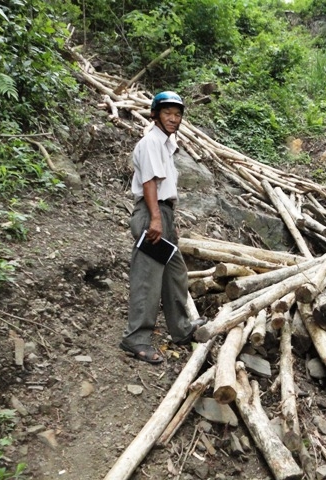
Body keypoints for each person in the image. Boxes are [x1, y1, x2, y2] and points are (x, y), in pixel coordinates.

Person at [119, 90, 204, 364]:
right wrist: (156, 218)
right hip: (151, 213)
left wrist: (165, 219)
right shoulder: (151, 142)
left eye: (177, 114)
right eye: (167, 113)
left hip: (162, 214)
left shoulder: (166, 144)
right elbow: (149, 184)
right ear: (155, 114)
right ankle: (136, 339)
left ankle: (180, 329)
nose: (173, 118)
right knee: (147, 279)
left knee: (175, 274)